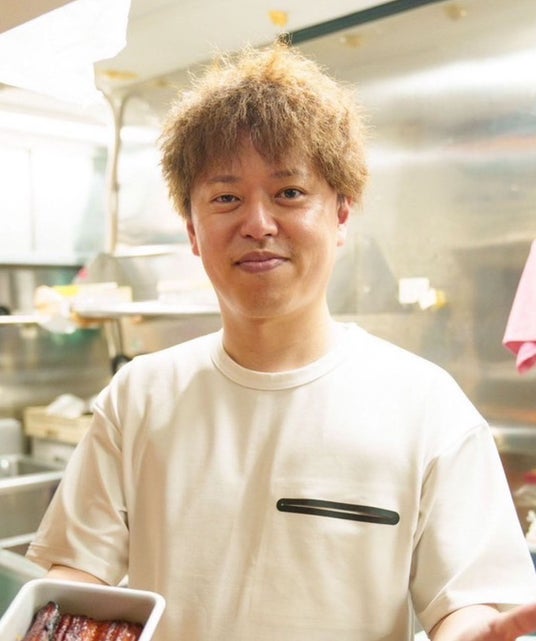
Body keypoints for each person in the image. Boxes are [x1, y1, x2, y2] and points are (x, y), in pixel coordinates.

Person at [26, 42, 536, 641]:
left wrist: (473, 632)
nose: (258, 224)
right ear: (192, 231)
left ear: (341, 214)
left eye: (289, 193)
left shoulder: (428, 406)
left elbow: (469, 602)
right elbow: (76, 578)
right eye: (226, 198)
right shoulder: (138, 396)